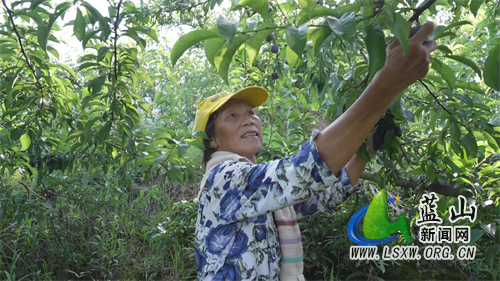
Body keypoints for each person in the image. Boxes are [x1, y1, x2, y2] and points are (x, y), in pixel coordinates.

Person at [192, 22, 438, 280]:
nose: (249, 120)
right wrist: (387, 83)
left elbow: (322, 196)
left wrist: (364, 152)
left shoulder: (258, 192)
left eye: (252, 113)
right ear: (212, 142)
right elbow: (303, 171)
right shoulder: (223, 178)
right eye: (231, 116)